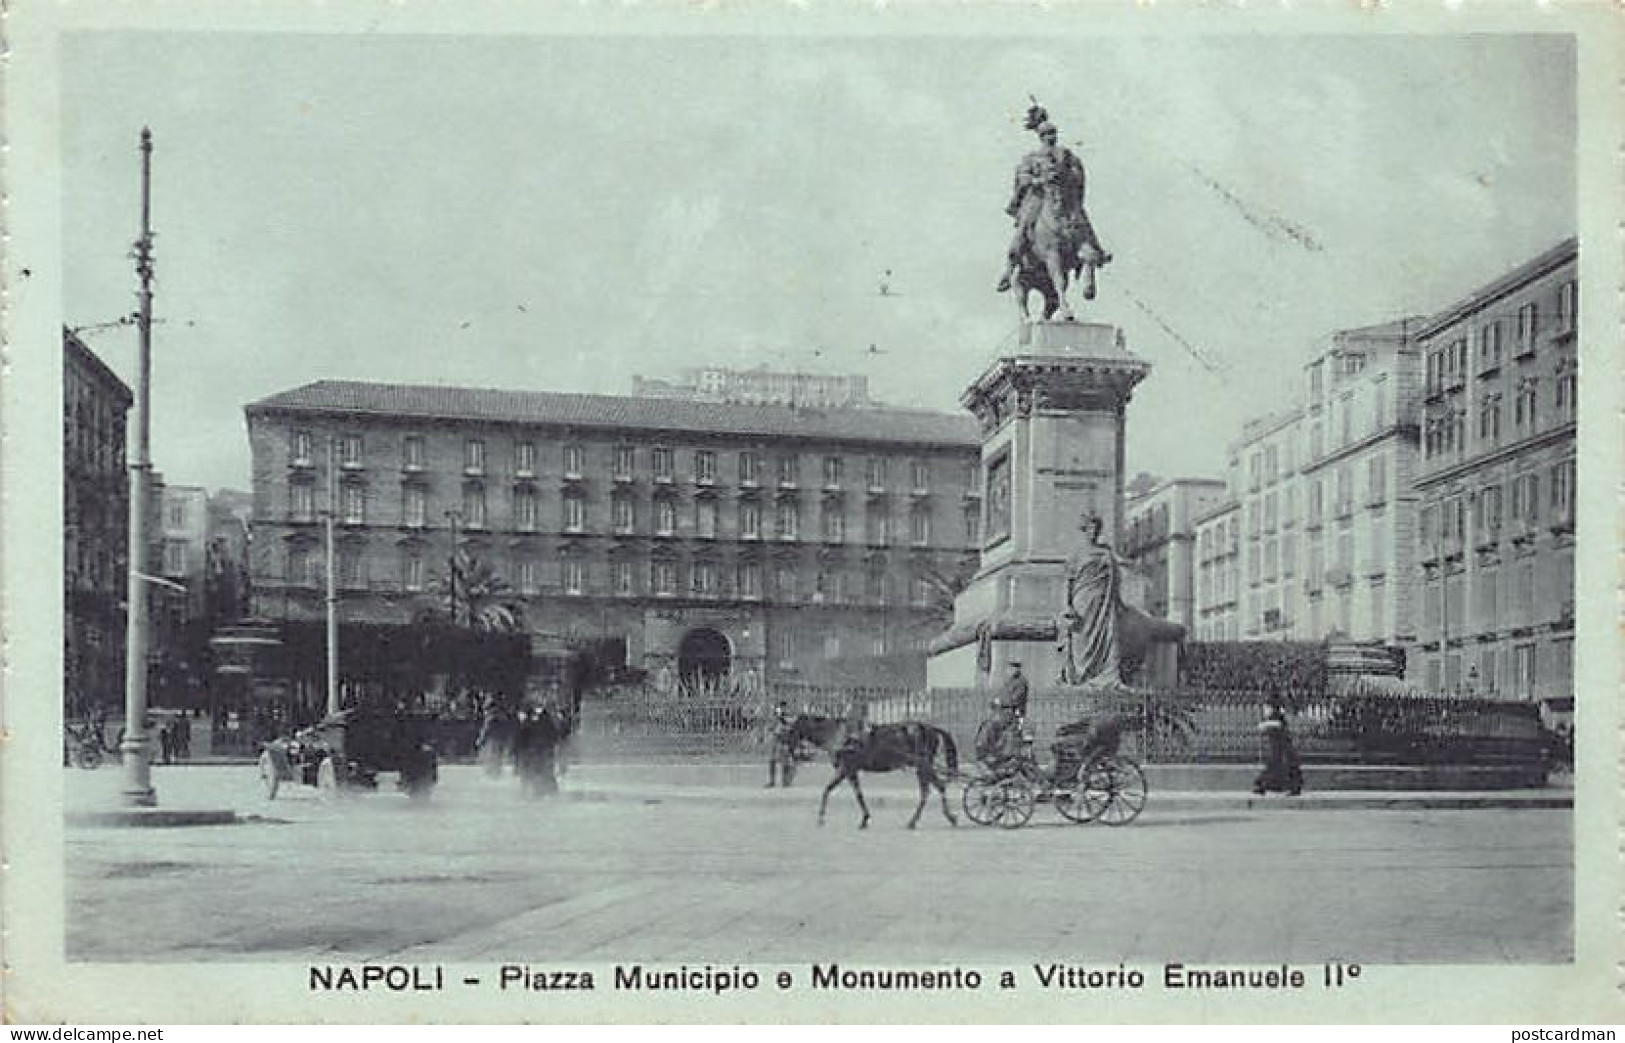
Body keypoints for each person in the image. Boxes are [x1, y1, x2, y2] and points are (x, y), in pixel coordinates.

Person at [996, 108, 1111, 294]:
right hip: (1040, 198)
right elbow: (1023, 178)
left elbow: (1078, 176)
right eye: (1047, 134)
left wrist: (1067, 176)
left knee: (1082, 221)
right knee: (1024, 226)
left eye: (1053, 133)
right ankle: (1009, 268)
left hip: (1063, 198)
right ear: (1040, 136)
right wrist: (1039, 180)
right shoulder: (1032, 158)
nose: (1051, 136)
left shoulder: (1067, 155)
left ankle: (1097, 254)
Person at [1252, 697, 1304, 797]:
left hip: (1283, 751)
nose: (1264, 710)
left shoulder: (1277, 718)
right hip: (1280, 751)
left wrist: (1265, 724)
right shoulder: (1274, 718)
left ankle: (1284, 786)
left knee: (1279, 767)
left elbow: (1279, 725)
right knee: (1276, 767)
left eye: (1266, 708)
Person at [765, 699, 799, 789]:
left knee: (785, 761)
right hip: (776, 737)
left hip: (785, 739)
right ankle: (772, 781)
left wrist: (781, 717)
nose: (783, 709)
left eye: (784, 707)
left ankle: (785, 781)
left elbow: (790, 724)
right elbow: (771, 726)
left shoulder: (789, 716)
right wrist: (776, 719)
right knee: (772, 759)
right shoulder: (776, 715)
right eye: (781, 707)